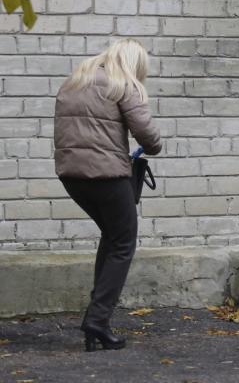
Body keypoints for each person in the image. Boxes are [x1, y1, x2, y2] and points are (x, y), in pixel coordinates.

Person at [54, 38, 162, 351]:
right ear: (132, 63)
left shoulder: (73, 82)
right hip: (107, 177)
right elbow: (147, 134)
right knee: (124, 242)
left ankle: (95, 324)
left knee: (113, 238)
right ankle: (97, 320)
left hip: (72, 177)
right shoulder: (121, 85)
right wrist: (155, 145)